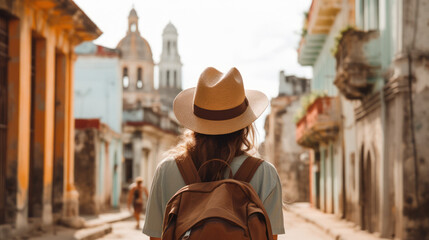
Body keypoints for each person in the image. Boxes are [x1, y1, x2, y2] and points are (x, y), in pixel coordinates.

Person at [143, 67, 285, 239]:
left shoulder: (166, 171)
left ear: (195, 123)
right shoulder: (264, 174)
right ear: (245, 125)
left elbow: (156, 238)